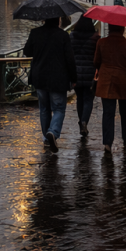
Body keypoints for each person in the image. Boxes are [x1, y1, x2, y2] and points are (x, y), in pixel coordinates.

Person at [23, 17, 77, 153]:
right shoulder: (63, 36)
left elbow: (27, 52)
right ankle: (53, 132)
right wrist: (74, 78)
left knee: (44, 109)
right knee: (58, 108)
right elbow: (70, 59)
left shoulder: (35, 33)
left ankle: (47, 138)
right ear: (57, 20)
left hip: (40, 77)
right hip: (58, 78)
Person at [94, 24, 126, 153]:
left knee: (108, 113)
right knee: (125, 112)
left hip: (106, 83)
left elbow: (96, 61)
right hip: (124, 82)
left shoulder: (101, 42)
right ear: (122, 29)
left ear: (109, 28)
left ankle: (107, 143)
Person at [70, 15, 100, 137]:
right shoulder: (95, 38)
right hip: (90, 73)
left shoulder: (71, 36)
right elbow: (98, 56)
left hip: (76, 72)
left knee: (80, 98)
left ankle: (81, 122)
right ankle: (84, 122)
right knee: (88, 99)